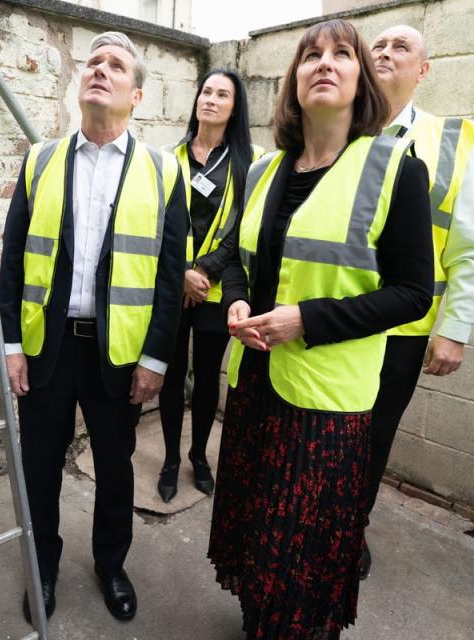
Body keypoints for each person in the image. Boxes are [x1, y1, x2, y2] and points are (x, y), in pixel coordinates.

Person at [207, 19, 434, 639]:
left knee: (300, 551)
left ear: (362, 78)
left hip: (325, 405)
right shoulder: (262, 171)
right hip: (255, 383)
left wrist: (307, 319)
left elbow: (414, 294)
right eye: (310, 55)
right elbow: (236, 259)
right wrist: (235, 302)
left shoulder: (394, 169)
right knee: (258, 530)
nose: (324, 63)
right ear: (294, 80)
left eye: (341, 54)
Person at [0, 31, 186, 623]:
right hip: (47, 349)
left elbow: (169, 277)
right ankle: (43, 565)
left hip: (117, 355)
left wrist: (155, 359)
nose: (100, 70)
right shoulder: (40, 160)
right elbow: (11, 263)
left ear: (137, 95)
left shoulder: (163, 171)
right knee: (39, 469)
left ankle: (110, 562)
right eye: (93, 62)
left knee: (115, 468)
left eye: (115, 65)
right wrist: (10, 346)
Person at [361, 25, 474, 578]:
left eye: (401, 48)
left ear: (424, 70)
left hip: (399, 335)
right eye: (377, 47)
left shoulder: (448, 142)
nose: (386, 54)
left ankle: (349, 530)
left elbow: (473, 245)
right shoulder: (336, 129)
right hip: (326, 325)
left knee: (371, 441)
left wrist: (455, 326)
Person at [157, 68, 260, 503]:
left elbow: (244, 228)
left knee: (205, 379)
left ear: (234, 108)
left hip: (217, 291)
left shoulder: (250, 161)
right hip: (174, 286)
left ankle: (199, 456)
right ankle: (170, 460)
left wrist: (206, 272)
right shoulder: (169, 157)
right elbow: (155, 222)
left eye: (222, 94)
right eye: (206, 91)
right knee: (170, 374)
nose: (210, 99)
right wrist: (181, 273)